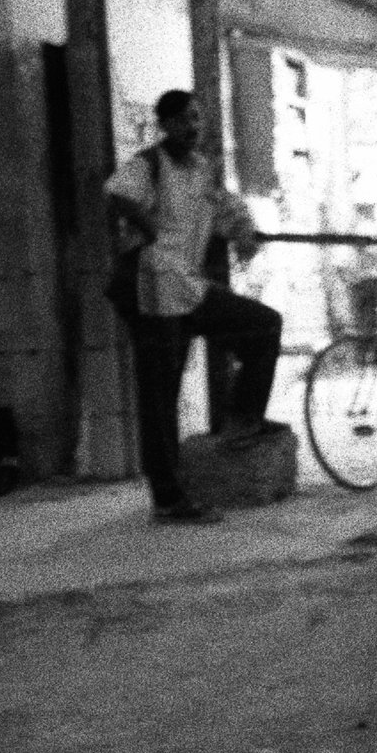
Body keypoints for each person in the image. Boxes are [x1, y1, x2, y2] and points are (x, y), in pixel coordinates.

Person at [105, 89, 281, 524]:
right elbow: (116, 192)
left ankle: (242, 421)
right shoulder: (149, 163)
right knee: (160, 395)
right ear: (164, 124)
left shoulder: (201, 169)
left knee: (262, 325)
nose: (193, 128)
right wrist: (150, 228)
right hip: (154, 290)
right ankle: (168, 499)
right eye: (183, 120)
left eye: (197, 119)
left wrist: (244, 230)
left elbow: (220, 207)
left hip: (188, 288)